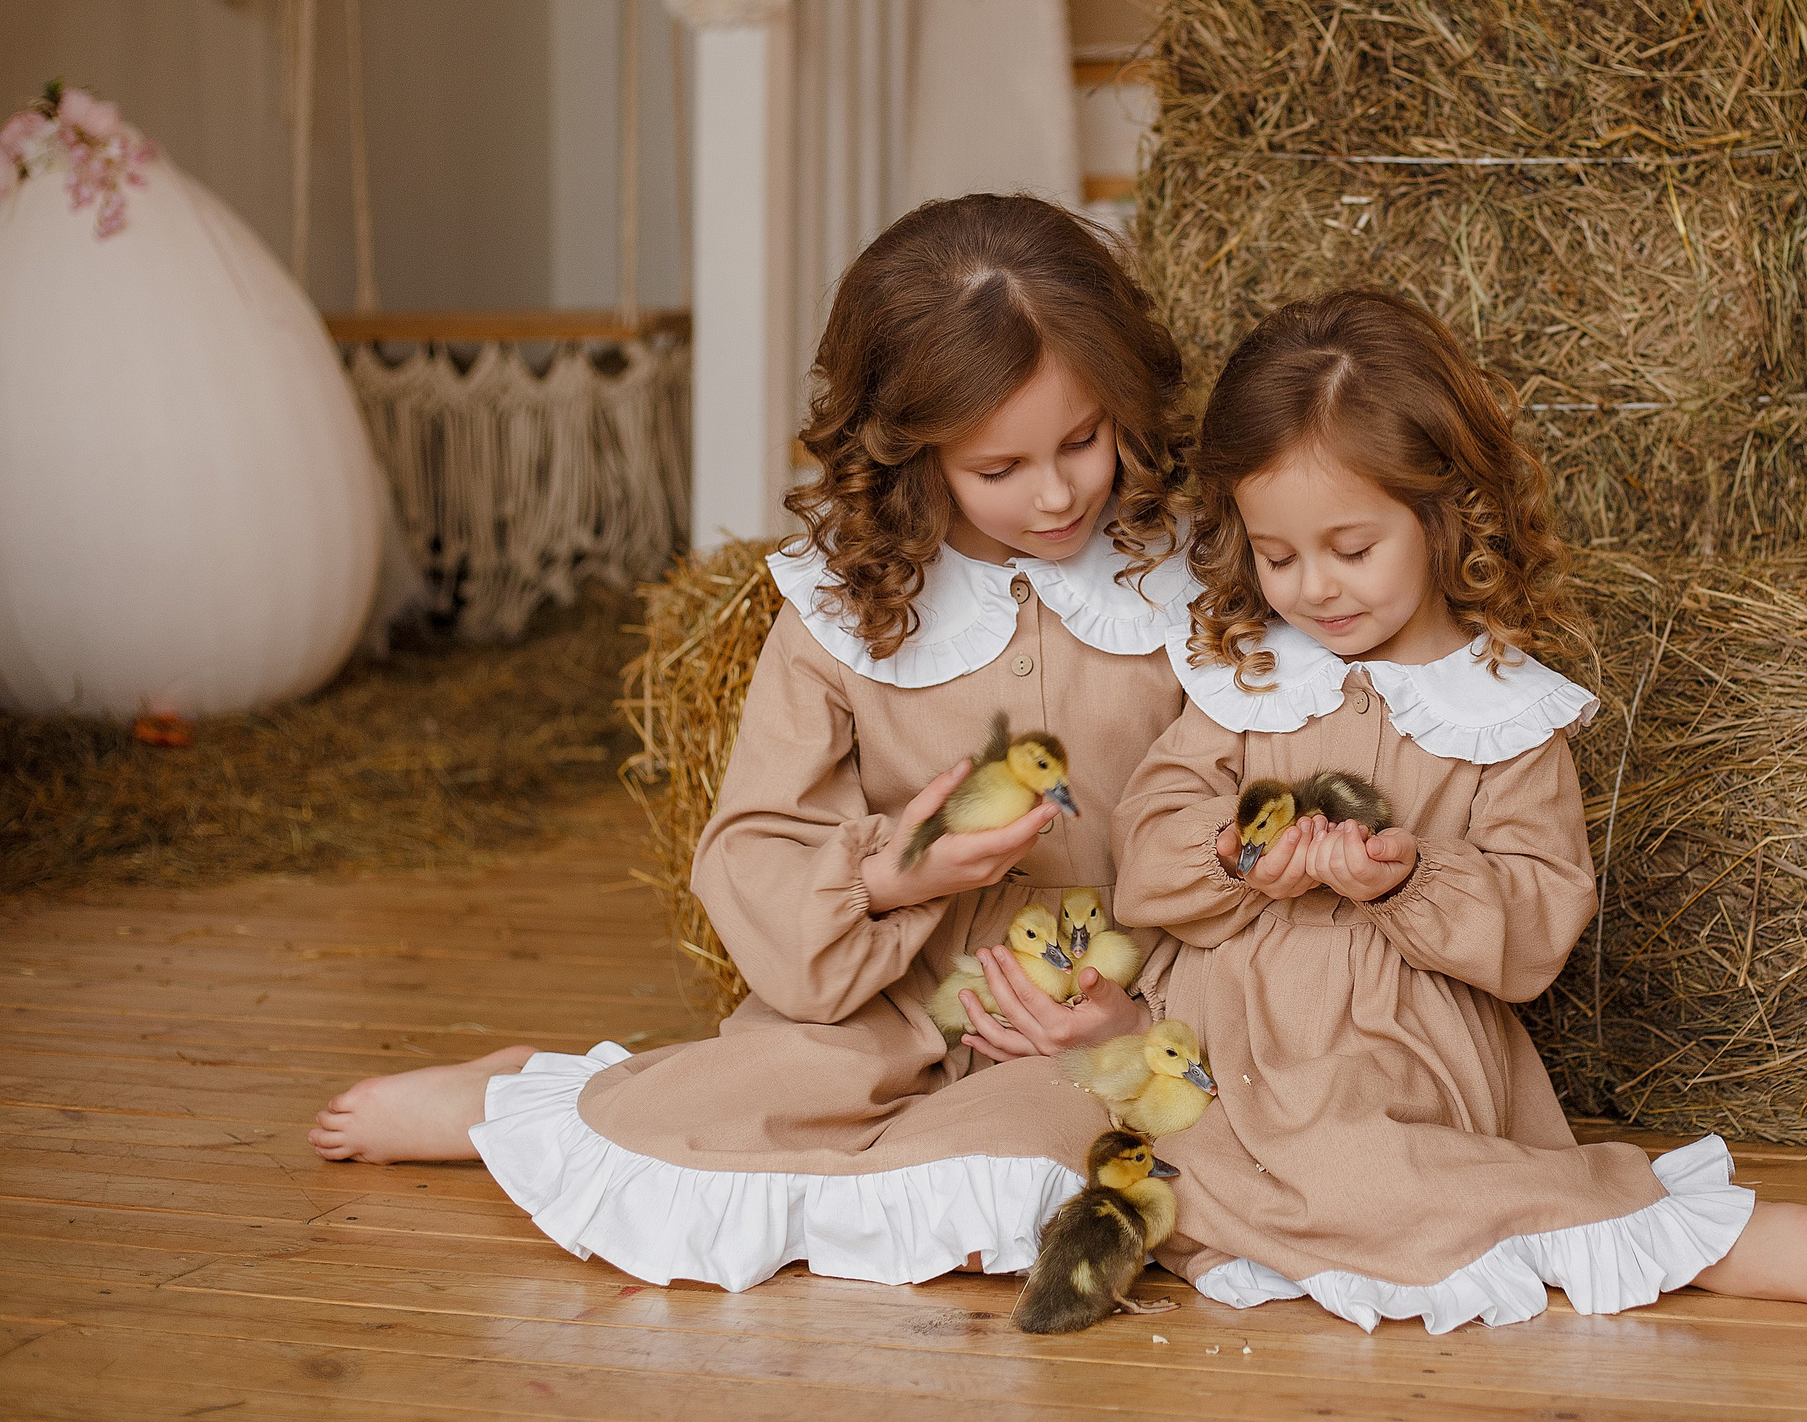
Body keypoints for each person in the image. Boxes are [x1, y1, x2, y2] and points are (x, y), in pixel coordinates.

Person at [308, 194, 1197, 1291]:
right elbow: (754, 840)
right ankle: (528, 1098)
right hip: (886, 1002)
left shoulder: (1185, 581)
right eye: (998, 468)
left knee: (1032, 1168)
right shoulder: (842, 607)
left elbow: (1241, 815)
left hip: (1097, 1014)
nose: (1058, 491)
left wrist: (1139, 1011)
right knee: (715, 1112)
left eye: (1082, 439)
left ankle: (961, 1128)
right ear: (909, 453)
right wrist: (887, 868)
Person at [1112, 289, 1807, 1331]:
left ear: (1443, 513)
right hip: (1214, 1029)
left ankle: (1680, 1230)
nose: (1314, 588)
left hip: (1382, 1049)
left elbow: (1534, 919)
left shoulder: (1501, 710)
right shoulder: (1244, 673)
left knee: (1354, 1166)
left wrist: (1408, 877)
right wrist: (1233, 853)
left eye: (1351, 547)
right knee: (1102, 1142)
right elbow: (1150, 834)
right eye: (1278, 553)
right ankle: (1290, 1210)